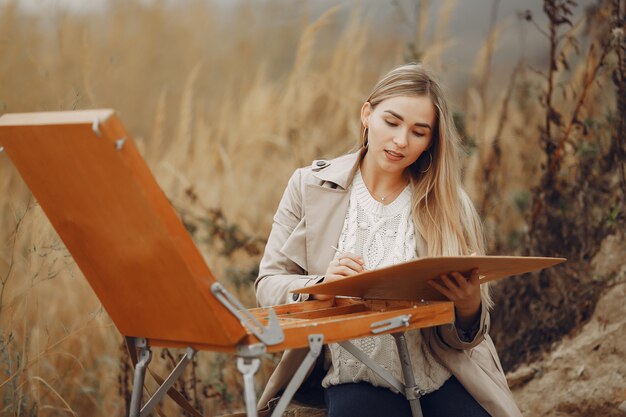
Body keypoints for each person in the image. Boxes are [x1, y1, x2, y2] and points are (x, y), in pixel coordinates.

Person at [254, 64, 522, 417]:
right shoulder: (308, 187)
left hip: (446, 372)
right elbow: (267, 286)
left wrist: (469, 305)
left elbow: (467, 337)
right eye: (392, 122)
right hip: (356, 376)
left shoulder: (451, 203)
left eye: (418, 132)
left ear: (431, 140)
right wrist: (321, 286)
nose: (400, 141)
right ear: (367, 114)